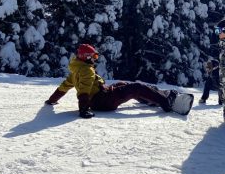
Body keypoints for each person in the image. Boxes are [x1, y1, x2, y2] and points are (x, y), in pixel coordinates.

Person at [45, 44, 182, 118]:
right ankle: (165, 102)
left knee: (123, 84)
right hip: (104, 101)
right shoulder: (86, 70)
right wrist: (83, 110)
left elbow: (64, 87)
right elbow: (84, 91)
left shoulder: (76, 70)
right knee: (137, 87)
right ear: (86, 57)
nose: (95, 59)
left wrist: (51, 100)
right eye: (94, 56)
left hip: (101, 98)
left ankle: (151, 99)